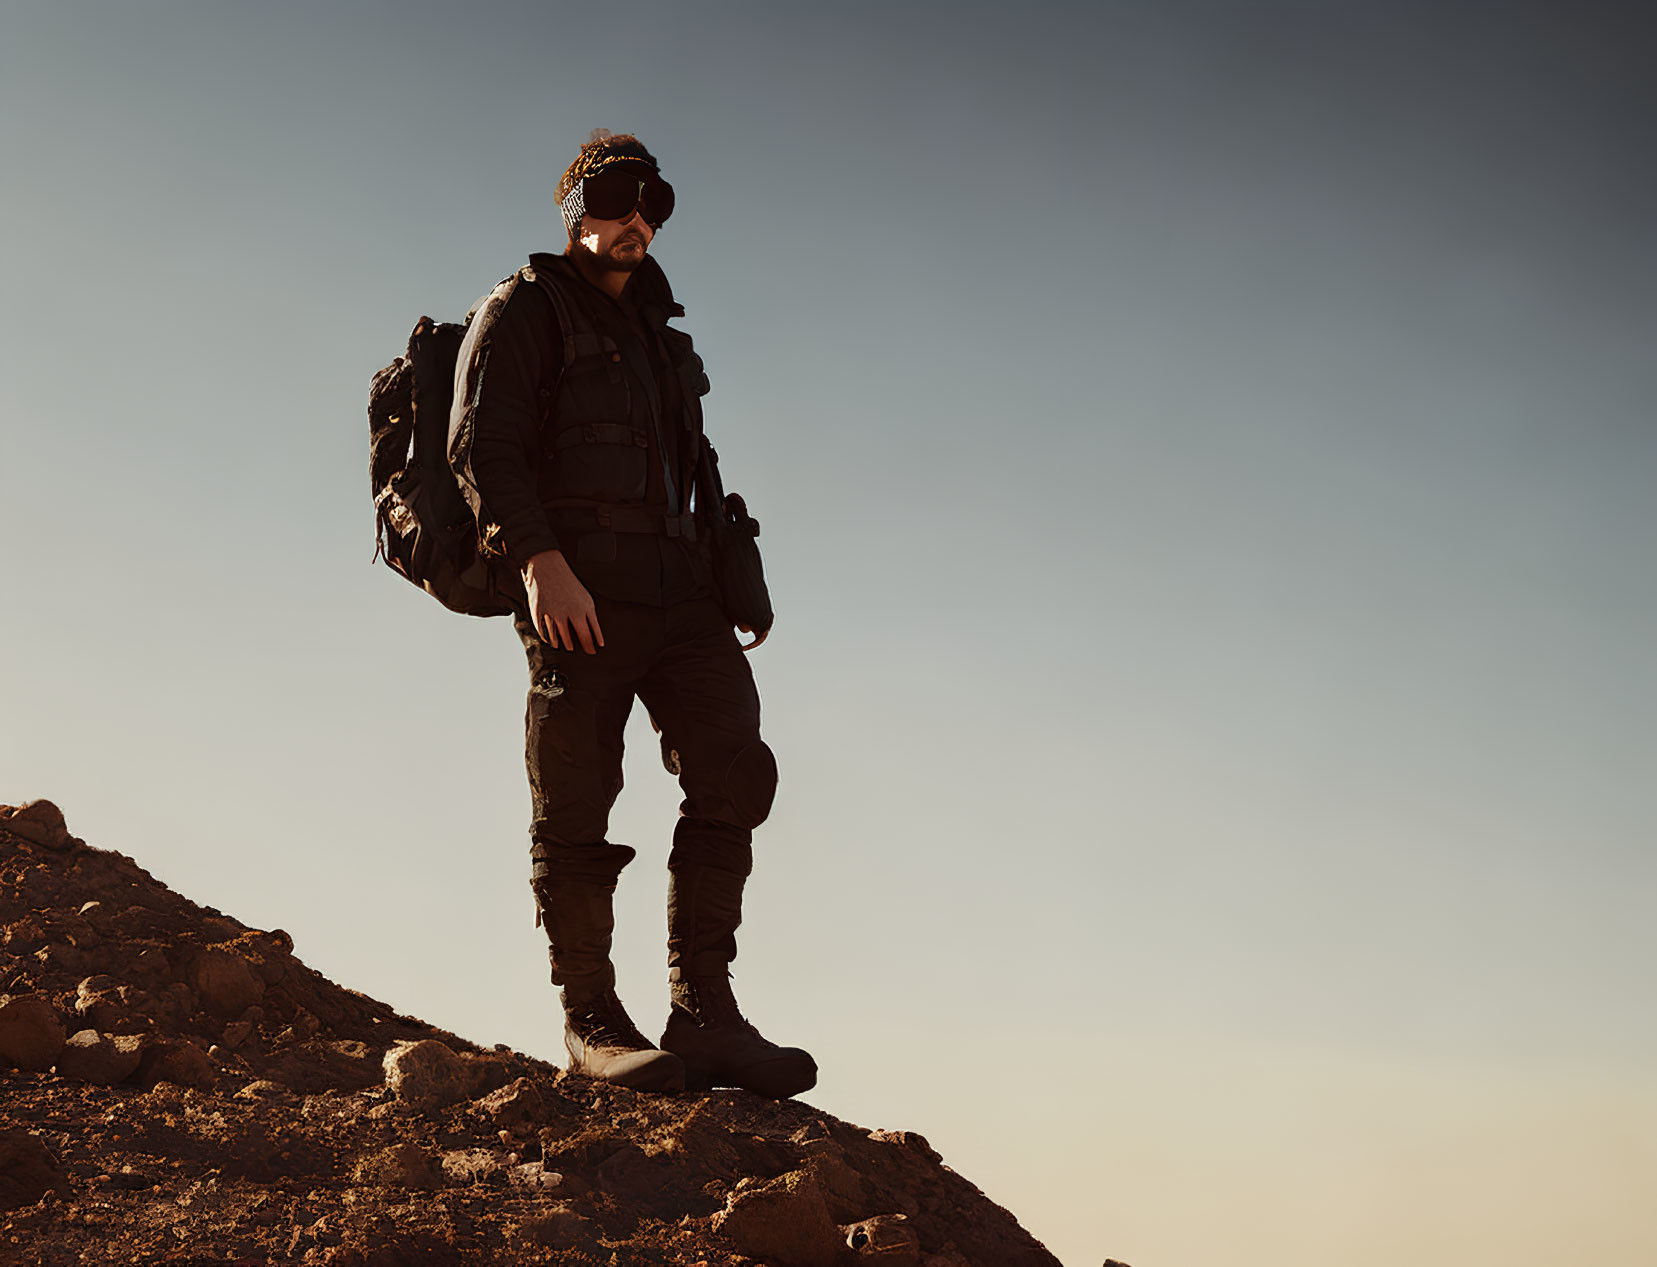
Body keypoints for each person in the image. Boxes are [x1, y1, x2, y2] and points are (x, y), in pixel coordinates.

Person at [448, 130, 815, 1099]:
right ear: (576, 211)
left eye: (650, 203)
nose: (634, 222)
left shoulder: (662, 334)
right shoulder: (524, 310)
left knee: (734, 767)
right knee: (576, 801)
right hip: (581, 594)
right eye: (614, 200)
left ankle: (706, 1014)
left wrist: (738, 579)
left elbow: (695, 471)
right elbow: (483, 446)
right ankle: (592, 1018)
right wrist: (539, 565)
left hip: (685, 593)